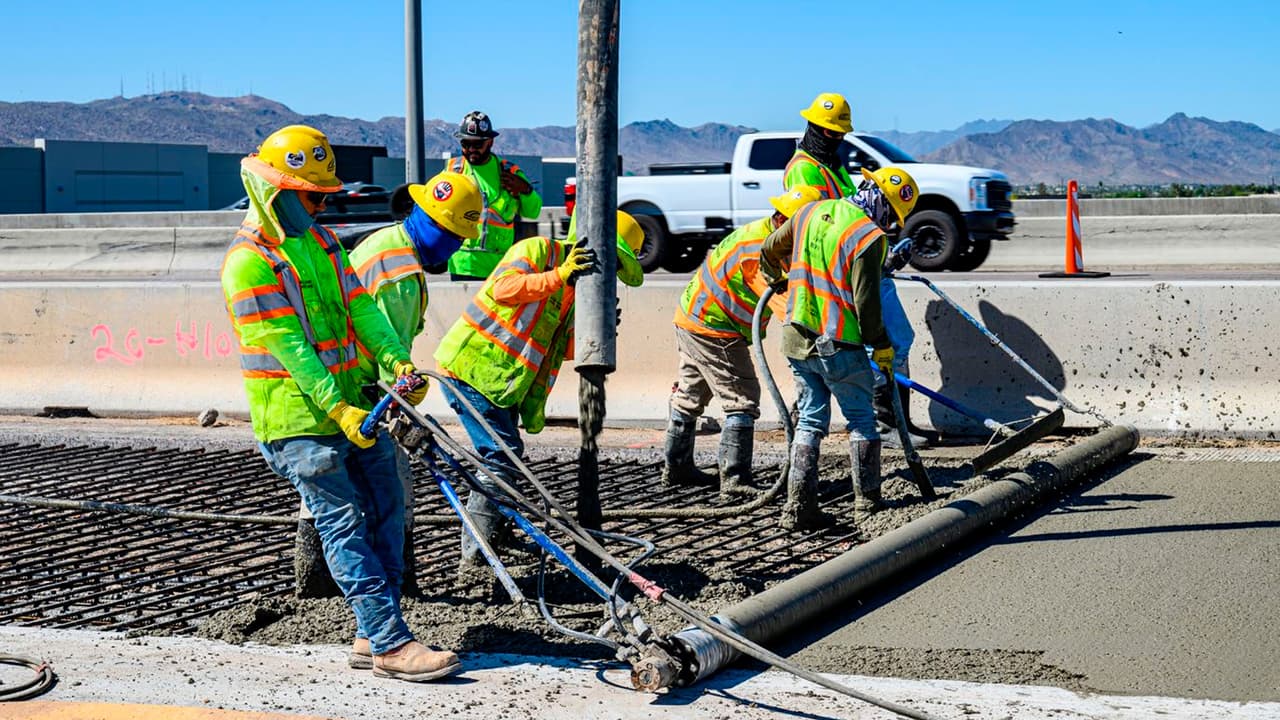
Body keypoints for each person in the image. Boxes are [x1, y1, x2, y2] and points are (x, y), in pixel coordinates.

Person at [220, 125, 458, 683]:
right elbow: (294, 351)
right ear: (277, 191)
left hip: (356, 405)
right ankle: (392, 645)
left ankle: (371, 632)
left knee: (388, 506)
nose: (324, 205)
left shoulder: (323, 243)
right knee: (343, 522)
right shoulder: (248, 263)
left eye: (326, 195)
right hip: (300, 421)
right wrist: (338, 410)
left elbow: (362, 310)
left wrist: (397, 361)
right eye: (314, 196)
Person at [434, 211, 645, 570]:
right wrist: (558, 276)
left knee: (505, 456)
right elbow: (503, 289)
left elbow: (559, 346)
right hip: (471, 370)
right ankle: (478, 550)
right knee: (500, 456)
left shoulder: (578, 292)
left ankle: (496, 535)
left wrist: (597, 329)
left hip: (505, 384)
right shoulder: (537, 250)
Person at [760, 166, 919, 530]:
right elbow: (867, 305)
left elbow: (769, 249)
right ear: (881, 202)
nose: (890, 223)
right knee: (862, 422)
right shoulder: (868, 236)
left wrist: (778, 282)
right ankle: (867, 506)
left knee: (811, 421)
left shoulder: (810, 211)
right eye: (891, 215)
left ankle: (797, 508)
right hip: (840, 346)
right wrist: (881, 346)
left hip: (797, 340)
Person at [347, 171, 483, 593]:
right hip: (363, 391)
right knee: (393, 488)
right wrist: (404, 402)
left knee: (334, 490)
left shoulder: (386, 243)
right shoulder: (401, 276)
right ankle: (396, 583)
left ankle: (319, 579)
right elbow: (389, 353)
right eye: (455, 236)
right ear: (436, 227)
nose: (456, 246)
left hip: (344, 382)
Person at [782, 93, 927, 449]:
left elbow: (860, 214)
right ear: (812, 127)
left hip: (865, 262)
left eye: (840, 132)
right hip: (843, 271)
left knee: (898, 341)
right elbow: (815, 225)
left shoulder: (832, 164)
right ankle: (883, 424)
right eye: (829, 131)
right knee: (881, 344)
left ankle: (894, 421)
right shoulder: (804, 169)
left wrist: (885, 253)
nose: (836, 138)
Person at [662, 186, 823, 498]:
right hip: (714, 328)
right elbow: (786, 308)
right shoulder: (761, 251)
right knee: (742, 398)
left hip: (693, 317)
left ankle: (677, 469)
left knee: (690, 394)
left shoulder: (765, 234)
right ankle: (735, 482)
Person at [445, 111, 544, 282]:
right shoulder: (453, 170)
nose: (470, 150)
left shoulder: (509, 173)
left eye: (477, 145)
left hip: (500, 267)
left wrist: (525, 190)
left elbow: (534, 212)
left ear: (490, 142)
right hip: (462, 265)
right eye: (465, 144)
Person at [785, 92, 856, 199]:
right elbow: (811, 213)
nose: (839, 139)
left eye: (842, 134)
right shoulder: (804, 169)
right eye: (833, 133)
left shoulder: (832, 163)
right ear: (814, 130)